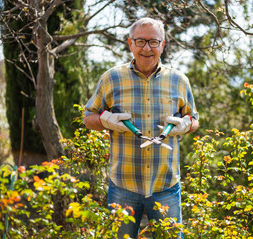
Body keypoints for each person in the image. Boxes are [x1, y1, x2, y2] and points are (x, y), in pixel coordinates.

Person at [83, 17, 199, 238]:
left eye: (154, 42)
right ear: (130, 44)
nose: (147, 48)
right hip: (123, 186)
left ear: (163, 45)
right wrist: (105, 120)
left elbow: (194, 119)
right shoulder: (111, 78)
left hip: (166, 185)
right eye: (140, 41)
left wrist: (185, 125)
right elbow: (88, 117)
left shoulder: (179, 80)